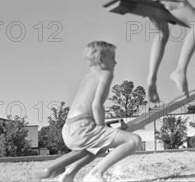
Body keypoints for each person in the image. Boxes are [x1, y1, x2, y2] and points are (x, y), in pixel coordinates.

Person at [60, 41, 142, 182]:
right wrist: (102, 128)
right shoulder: (105, 74)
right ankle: (95, 174)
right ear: (102, 59)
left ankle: (69, 174)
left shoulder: (88, 76)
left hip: (68, 130)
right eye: (113, 58)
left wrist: (106, 131)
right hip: (82, 129)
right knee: (134, 140)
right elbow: (97, 106)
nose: (115, 62)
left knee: (100, 147)